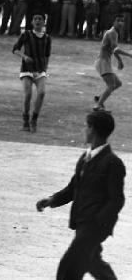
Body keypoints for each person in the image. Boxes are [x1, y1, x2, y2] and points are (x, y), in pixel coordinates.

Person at [36, 110, 125, 280]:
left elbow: (117, 200)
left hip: (94, 226)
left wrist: (98, 222)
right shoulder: (85, 158)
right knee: (93, 262)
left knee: (68, 269)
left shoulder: (113, 163)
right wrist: (52, 200)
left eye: (87, 126)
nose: (84, 130)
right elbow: (72, 188)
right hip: (81, 221)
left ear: (94, 130)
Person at [12, 14, 51, 132]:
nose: (38, 21)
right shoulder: (26, 34)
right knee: (28, 94)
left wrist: (45, 69)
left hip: (40, 70)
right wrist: (24, 57)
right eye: (35, 19)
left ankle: (34, 119)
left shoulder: (48, 38)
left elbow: (47, 55)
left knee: (42, 93)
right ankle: (25, 121)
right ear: (32, 22)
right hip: (27, 69)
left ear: (44, 22)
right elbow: (15, 49)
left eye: (40, 19)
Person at [93, 14, 132, 111]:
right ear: (114, 21)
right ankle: (98, 105)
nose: (121, 23)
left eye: (122, 21)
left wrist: (120, 61)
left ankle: (100, 97)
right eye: (118, 20)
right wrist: (129, 55)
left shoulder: (114, 32)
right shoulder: (112, 33)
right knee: (111, 85)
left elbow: (113, 49)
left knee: (118, 83)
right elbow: (116, 49)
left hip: (105, 62)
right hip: (103, 62)